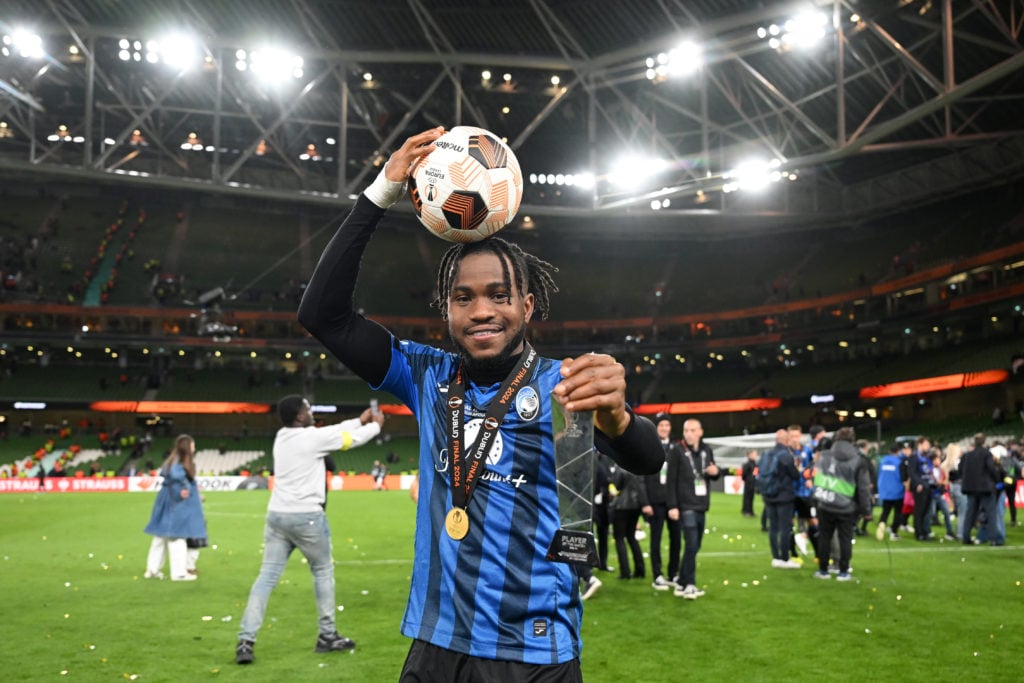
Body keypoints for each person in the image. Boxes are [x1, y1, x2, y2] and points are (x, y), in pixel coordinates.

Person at [296, 126, 663, 680]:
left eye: (499, 294)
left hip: (534, 653)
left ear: (528, 304)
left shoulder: (564, 387)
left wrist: (618, 415)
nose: (481, 311)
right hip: (436, 645)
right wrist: (381, 193)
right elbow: (323, 316)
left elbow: (648, 458)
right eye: (462, 298)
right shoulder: (424, 375)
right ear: (445, 310)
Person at [235, 396, 384, 665]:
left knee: (266, 578)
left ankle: (246, 640)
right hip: (307, 518)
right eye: (307, 408)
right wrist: (375, 426)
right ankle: (327, 635)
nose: (311, 411)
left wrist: (358, 420)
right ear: (300, 417)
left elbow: (335, 430)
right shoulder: (312, 439)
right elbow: (350, 440)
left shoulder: (282, 436)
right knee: (323, 572)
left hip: (277, 515)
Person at [666, 418, 721, 598]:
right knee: (691, 543)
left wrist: (716, 473)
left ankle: (681, 582)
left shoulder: (707, 451)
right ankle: (689, 584)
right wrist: (672, 505)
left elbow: (711, 474)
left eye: (692, 430)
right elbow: (670, 480)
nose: (689, 434)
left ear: (700, 432)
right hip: (685, 504)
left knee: (695, 545)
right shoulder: (677, 451)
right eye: (686, 430)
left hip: (701, 504)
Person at [143, 434, 207, 582]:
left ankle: (152, 570)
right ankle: (178, 573)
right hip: (175, 502)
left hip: (165, 500)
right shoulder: (179, 463)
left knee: (160, 536)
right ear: (187, 447)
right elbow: (177, 477)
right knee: (177, 535)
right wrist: (185, 489)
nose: (194, 448)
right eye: (192, 445)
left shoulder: (172, 460)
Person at [811, 427, 872, 580]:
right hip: (846, 507)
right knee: (845, 539)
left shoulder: (824, 455)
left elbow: (816, 476)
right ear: (853, 441)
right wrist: (866, 510)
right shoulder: (858, 460)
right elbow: (863, 488)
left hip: (825, 503)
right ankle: (843, 571)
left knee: (824, 537)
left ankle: (823, 570)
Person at [643, 415, 682, 590]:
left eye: (667, 425)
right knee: (656, 540)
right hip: (655, 501)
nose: (664, 428)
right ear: (656, 427)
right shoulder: (648, 445)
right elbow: (641, 475)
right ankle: (657, 574)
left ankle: (673, 573)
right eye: (661, 425)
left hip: (673, 502)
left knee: (676, 539)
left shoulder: (676, 448)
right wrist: (646, 502)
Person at [761, 429, 801, 569]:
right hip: (783, 496)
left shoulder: (766, 453)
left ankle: (775, 557)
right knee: (785, 528)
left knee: (773, 527)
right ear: (786, 440)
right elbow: (795, 475)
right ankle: (784, 558)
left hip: (768, 495)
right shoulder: (786, 455)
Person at [959, 433, 1000, 545]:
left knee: (970, 513)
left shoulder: (968, 455)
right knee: (990, 513)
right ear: (984, 442)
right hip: (985, 488)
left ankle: (966, 536)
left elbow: (960, 470)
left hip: (971, 488)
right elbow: (991, 469)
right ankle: (993, 539)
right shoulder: (986, 454)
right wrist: (997, 480)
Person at [610, 465, 646, 580]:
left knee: (619, 538)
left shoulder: (620, 466)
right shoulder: (638, 465)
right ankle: (640, 569)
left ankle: (625, 571)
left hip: (622, 506)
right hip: (635, 505)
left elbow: (617, 485)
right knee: (631, 537)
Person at [875, 443, 909, 541]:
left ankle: (882, 524)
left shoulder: (883, 461)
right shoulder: (899, 462)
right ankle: (893, 532)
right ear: (898, 452)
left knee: (885, 511)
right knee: (897, 513)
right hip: (897, 491)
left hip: (886, 491)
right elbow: (903, 477)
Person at [908, 436, 935, 540]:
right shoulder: (914, 456)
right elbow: (911, 472)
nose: (928, 447)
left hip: (928, 485)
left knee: (926, 510)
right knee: (919, 510)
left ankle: (924, 531)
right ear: (920, 444)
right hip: (920, 486)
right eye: (927, 444)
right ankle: (919, 533)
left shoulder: (927, 457)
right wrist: (918, 483)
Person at [740, 449, 758, 517]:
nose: (755, 455)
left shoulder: (755, 464)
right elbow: (744, 474)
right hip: (748, 482)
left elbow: (755, 473)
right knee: (747, 497)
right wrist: (747, 480)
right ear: (749, 455)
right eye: (754, 454)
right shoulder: (747, 464)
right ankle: (745, 511)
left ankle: (751, 511)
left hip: (753, 482)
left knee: (751, 497)